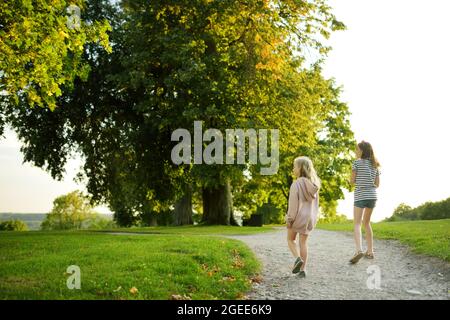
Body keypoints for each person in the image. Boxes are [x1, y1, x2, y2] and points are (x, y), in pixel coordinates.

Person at [285, 156, 320, 278]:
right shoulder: (314, 185)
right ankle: (303, 270)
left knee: (290, 240)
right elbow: (316, 205)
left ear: (300, 168)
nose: (293, 169)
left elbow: (293, 205)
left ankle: (297, 258)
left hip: (297, 217)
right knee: (303, 243)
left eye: (294, 167)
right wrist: (314, 219)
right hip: (309, 218)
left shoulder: (296, 184)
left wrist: (289, 219)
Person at [349, 141, 381, 264]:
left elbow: (352, 181)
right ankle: (370, 251)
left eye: (357, 149)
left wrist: (352, 178)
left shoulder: (356, 163)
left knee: (357, 223)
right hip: (372, 196)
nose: (355, 151)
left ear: (362, 151)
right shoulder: (375, 165)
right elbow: (377, 184)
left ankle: (358, 250)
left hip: (360, 195)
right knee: (367, 223)